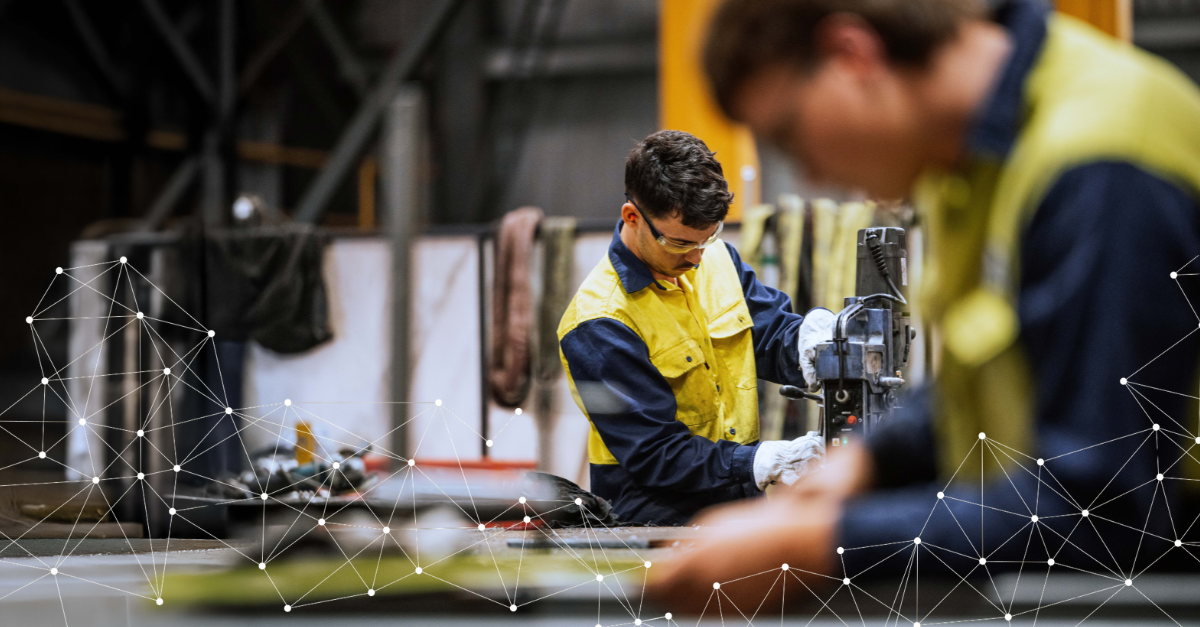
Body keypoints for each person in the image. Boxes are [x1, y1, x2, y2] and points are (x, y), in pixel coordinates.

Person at [650, 0, 1200, 612]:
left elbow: (1104, 510)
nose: (805, 174)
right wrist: (869, 462)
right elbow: (993, 378)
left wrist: (823, 544)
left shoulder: (1101, 166)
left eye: (788, 133)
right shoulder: (967, 168)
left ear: (852, 54)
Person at [557, 129, 832, 526]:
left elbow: (767, 334)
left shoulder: (715, 257)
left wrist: (815, 343)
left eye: (710, 236)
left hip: (738, 502)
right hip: (658, 521)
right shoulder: (598, 322)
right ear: (633, 218)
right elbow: (656, 453)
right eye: (680, 243)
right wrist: (761, 460)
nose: (698, 257)